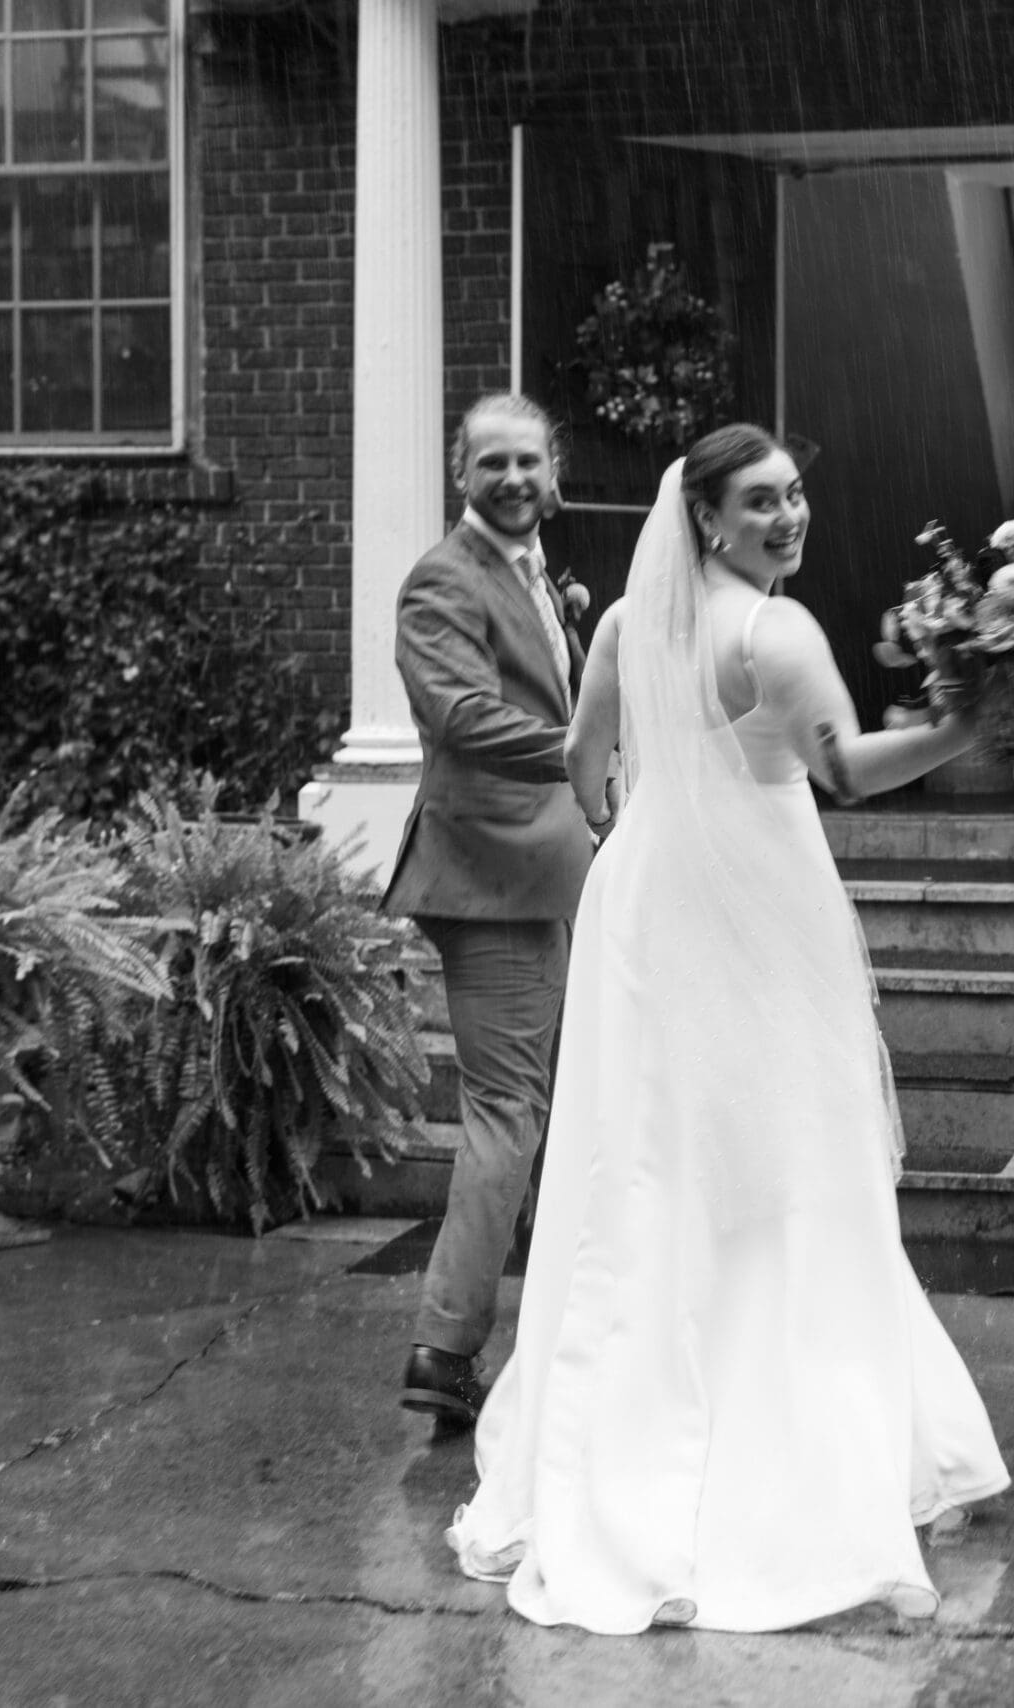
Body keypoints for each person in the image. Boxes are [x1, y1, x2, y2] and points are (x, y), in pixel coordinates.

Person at [445, 423, 1013, 1634]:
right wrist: (977, 722)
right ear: (705, 518)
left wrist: (639, 831)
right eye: (762, 503)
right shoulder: (775, 632)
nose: (789, 518)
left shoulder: (623, 628)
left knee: (648, 1165)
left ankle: (622, 1433)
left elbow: (583, 760)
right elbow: (849, 774)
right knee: (790, 1162)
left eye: (796, 496)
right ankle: (792, 1455)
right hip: (760, 901)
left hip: (645, 907)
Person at [382, 393, 598, 1430]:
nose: (512, 479)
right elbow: (460, 718)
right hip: (492, 881)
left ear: (553, 469)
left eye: (527, 460)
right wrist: (580, 752)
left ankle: (557, 1326)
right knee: (506, 1115)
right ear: (458, 473)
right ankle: (445, 1342)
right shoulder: (442, 577)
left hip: (548, 868)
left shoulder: (530, 574)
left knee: (542, 1111)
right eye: (490, 463)